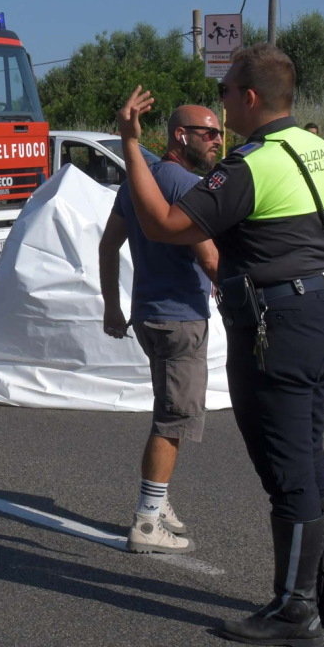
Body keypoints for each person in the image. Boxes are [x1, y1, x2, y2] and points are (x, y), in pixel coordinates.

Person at [117, 43, 324, 647]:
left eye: (227, 90)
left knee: (288, 470)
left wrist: (130, 142)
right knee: (310, 454)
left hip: (276, 328)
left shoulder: (250, 165)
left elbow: (162, 226)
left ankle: (294, 610)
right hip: (323, 315)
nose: (223, 101)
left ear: (249, 98)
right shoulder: (323, 153)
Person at [99, 106, 221, 554]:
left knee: (168, 411)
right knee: (173, 421)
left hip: (149, 314)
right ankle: (147, 522)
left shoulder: (139, 180)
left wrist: (113, 307)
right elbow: (209, 257)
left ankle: (160, 499)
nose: (217, 141)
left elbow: (108, 244)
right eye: (209, 133)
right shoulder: (188, 185)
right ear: (181, 135)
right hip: (181, 320)